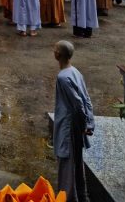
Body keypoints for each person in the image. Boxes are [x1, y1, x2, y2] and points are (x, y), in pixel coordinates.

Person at [53, 40, 95, 202]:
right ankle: (80, 195)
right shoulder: (75, 72)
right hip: (77, 124)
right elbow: (86, 99)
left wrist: (85, 123)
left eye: (55, 49)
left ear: (58, 55)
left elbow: (78, 103)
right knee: (76, 161)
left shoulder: (63, 78)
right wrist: (89, 123)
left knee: (67, 160)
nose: (53, 51)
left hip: (68, 124)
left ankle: (67, 197)